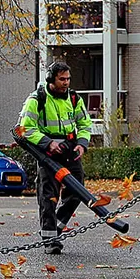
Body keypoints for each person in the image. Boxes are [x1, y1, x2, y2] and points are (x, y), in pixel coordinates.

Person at [17, 61, 91, 254]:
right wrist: (48, 143)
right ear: (51, 79)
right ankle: (50, 241)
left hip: (70, 149)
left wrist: (82, 144)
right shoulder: (37, 99)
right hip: (47, 153)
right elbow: (24, 129)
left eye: (68, 79)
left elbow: (84, 124)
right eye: (62, 79)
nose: (66, 83)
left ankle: (56, 226)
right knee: (48, 196)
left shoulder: (74, 99)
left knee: (78, 190)